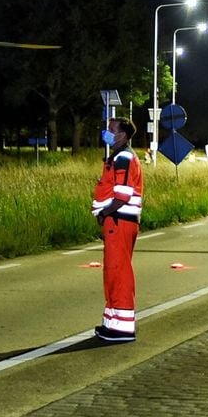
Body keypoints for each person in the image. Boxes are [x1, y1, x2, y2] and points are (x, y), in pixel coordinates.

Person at [90, 117, 143, 343]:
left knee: (118, 272)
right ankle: (113, 324)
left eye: (111, 130)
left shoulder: (123, 158)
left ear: (122, 135)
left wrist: (104, 213)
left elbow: (122, 195)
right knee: (113, 272)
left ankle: (122, 330)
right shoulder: (120, 156)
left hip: (119, 221)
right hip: (118, 222)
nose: (107, 133)